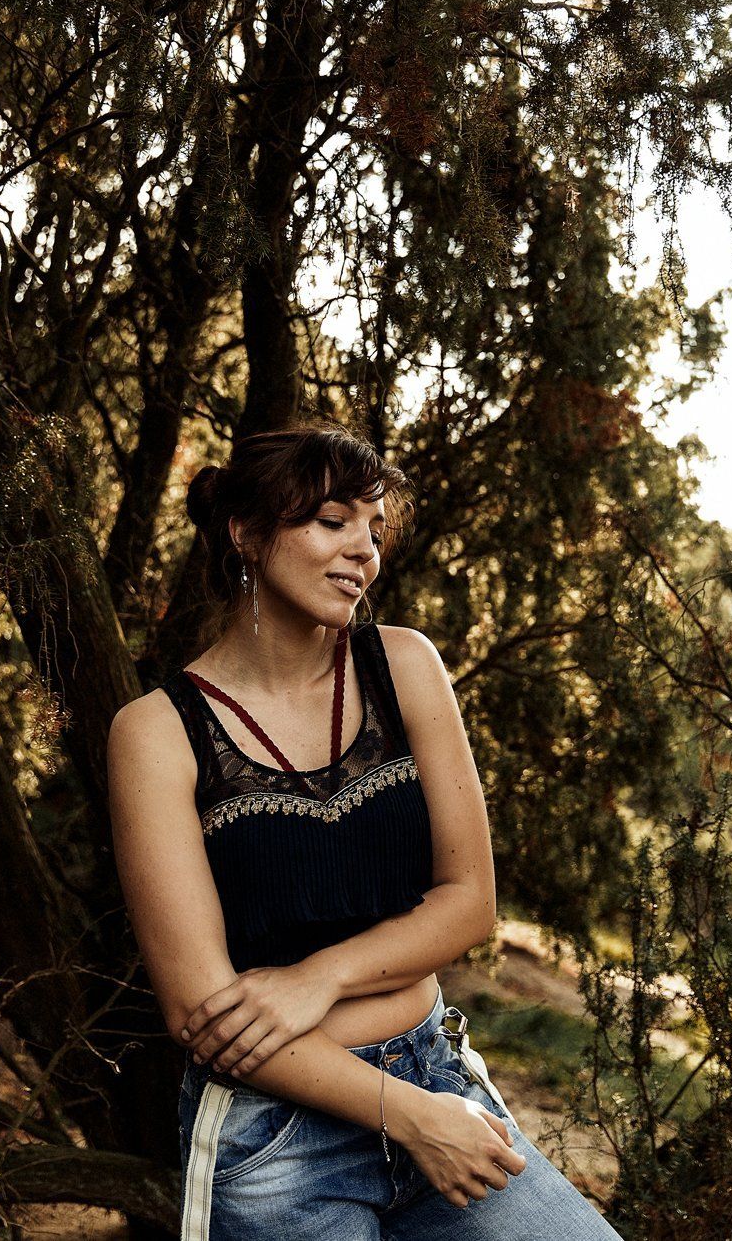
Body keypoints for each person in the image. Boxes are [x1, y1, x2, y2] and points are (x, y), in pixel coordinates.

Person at [107, 422, 625, 1239]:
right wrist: (408, 1116)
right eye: (332, 521)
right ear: (245, 533)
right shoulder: (157, 731)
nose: (364, 551)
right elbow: (200, 1011)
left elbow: (468, 902)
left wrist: (319, 978)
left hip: (435, 1075)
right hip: (278, 1140)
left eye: (375, 530)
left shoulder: (403, 665)